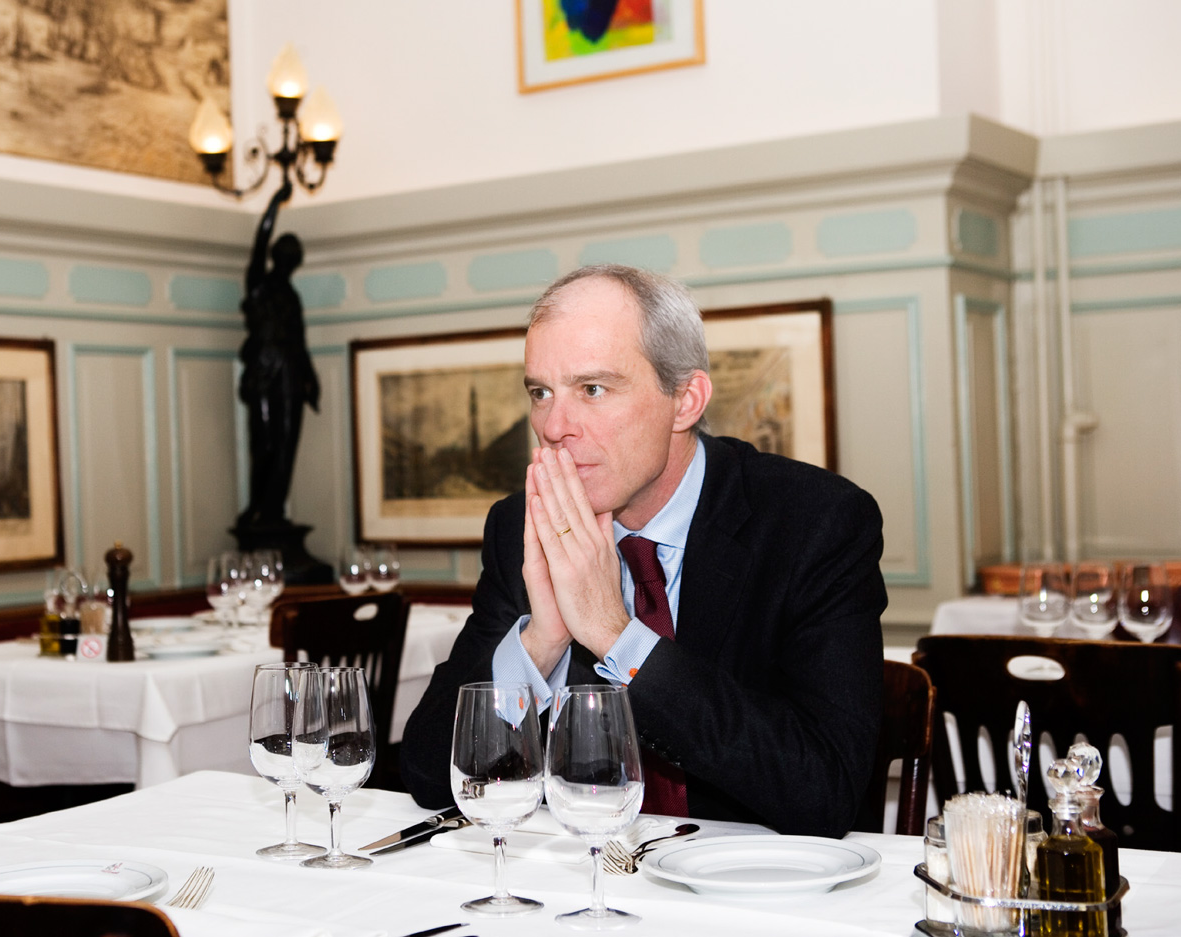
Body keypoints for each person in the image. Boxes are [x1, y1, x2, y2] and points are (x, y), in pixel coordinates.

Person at [400, 264, 886, 838]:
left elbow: (825, 792)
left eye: (593, 389)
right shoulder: (524, 525)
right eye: (541, 393)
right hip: (584, 892)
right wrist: (541, 642)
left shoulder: (814, 522)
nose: (553, 425)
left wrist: (615, 636)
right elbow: (427, 773)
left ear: (685, 400)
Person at [237, 179, 320, 528]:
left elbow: (300, 343)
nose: (288, 262)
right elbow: (259, 241)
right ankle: (258, 508)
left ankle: (274, 510)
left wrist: (310, 379)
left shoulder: (292, 296)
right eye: (285, 256)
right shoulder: (259, 283)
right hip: (263, 373)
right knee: (265, 444)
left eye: (293, 259)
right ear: (277, 257)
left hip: (290, 372)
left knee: (287, 445)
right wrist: (274, 203)